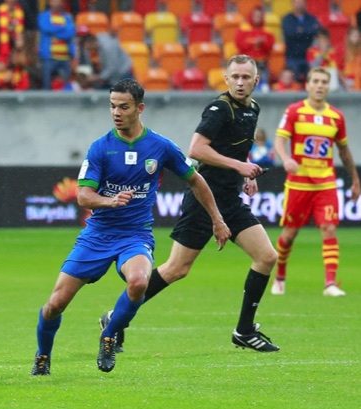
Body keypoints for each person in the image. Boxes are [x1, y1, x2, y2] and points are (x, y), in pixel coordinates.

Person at [31, 78, 231, 376]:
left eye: (123, 107)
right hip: (97, 236)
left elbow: (195, 180)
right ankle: (43, 356)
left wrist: (217, 218)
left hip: (135, 236)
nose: (116, 112)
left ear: (140, 108)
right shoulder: (100, 148)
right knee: (55, 304)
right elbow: (83, 194)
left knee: (139, 282)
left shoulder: (161, 147)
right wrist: (109, 201)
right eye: (112, 106)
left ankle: (110, 334)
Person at [99, 55, 280, 355]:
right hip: (203, 198)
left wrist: (246, 171)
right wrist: (238, 166)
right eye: (234, 76)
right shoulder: (219, 109)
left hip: (230, 201)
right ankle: (114, 317)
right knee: (176, 269)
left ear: (256, 81)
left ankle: (244, 330)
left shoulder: (252, 110)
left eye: (246, 77)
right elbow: (196, 149)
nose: (239, 82)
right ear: (225, 78)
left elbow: (234, 149)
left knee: (266, 256)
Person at [272, 67, 360, 297]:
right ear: (308, 85)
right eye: (316, 81)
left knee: (329, 228)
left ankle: (330, 283)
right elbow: (280, 141)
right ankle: (280, 276)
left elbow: (344, 151)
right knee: (289, 234)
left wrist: (355, 180)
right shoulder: (294, 111)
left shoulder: (336, 117)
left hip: (325, 183)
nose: (320, 85)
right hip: (299, 183)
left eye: (324, 82)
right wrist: (286, 158)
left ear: (328, 86)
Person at [37, 0, 75, 90]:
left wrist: (55, 33)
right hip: (49, 58)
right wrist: (63, 28)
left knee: (66, 86)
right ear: (50, 3)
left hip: (65, 58)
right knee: (47, 85)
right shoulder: (44, 16)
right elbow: (46, 28)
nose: (57, 3)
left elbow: (70, 32)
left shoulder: (68, 17)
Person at [235, 6, 274, 92]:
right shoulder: (243, 29)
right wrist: (253, 42)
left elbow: (270, 48)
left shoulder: (267, 31)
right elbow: (239, 45)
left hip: (262, 63)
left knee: (264, 87)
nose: (257, 18)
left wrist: (262, 43)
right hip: (246, 63)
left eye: (259, 16)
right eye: (256, 16)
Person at [282, 0, 321, 82]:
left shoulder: (312, 18)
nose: (299, 4)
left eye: (302, 2)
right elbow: (289, 34)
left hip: (309, 57)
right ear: (293, 3)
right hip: (292, 57)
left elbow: (315, 33)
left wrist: (299, 31)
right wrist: (306, 32)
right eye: (297, 2)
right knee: (293, 83)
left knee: (311, 81)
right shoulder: (287, 19)